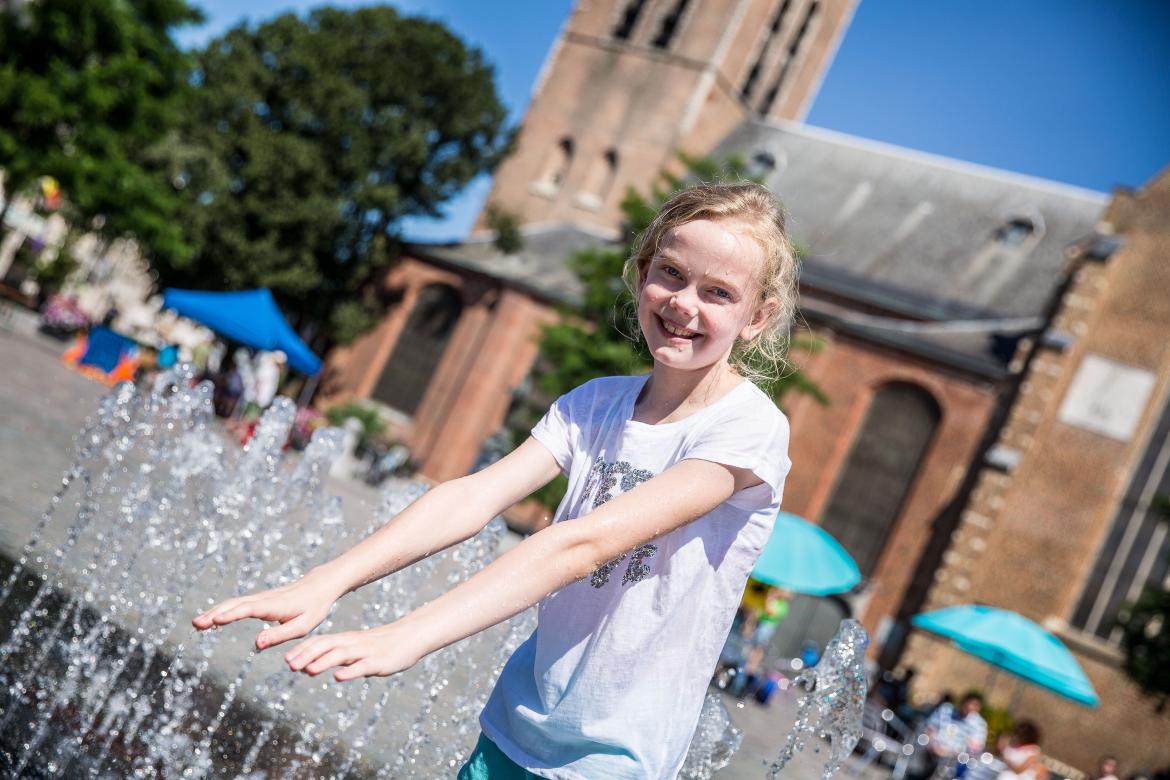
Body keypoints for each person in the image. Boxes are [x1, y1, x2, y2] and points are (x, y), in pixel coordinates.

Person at [192, 182, 799, 779]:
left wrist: (411, 634)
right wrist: (327, 582)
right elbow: (474, 494)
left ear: (756, 317)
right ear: (641, 274)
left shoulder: (748, 431)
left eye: (718, 292)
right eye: (670, 272)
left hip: (615, 760)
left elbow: (581, 545)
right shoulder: (595, 403)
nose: (683, 303)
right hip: (513, 729)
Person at [910, 691, 987, 780]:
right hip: (932, 752)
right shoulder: (945, 710)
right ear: (963, 701)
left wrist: (951, 752)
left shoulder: (979, 724)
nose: (970, 707)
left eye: (974, 705)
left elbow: (975, 749)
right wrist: (932, 744)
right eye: (969, 703)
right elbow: (929, 729)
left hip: (955, 760)